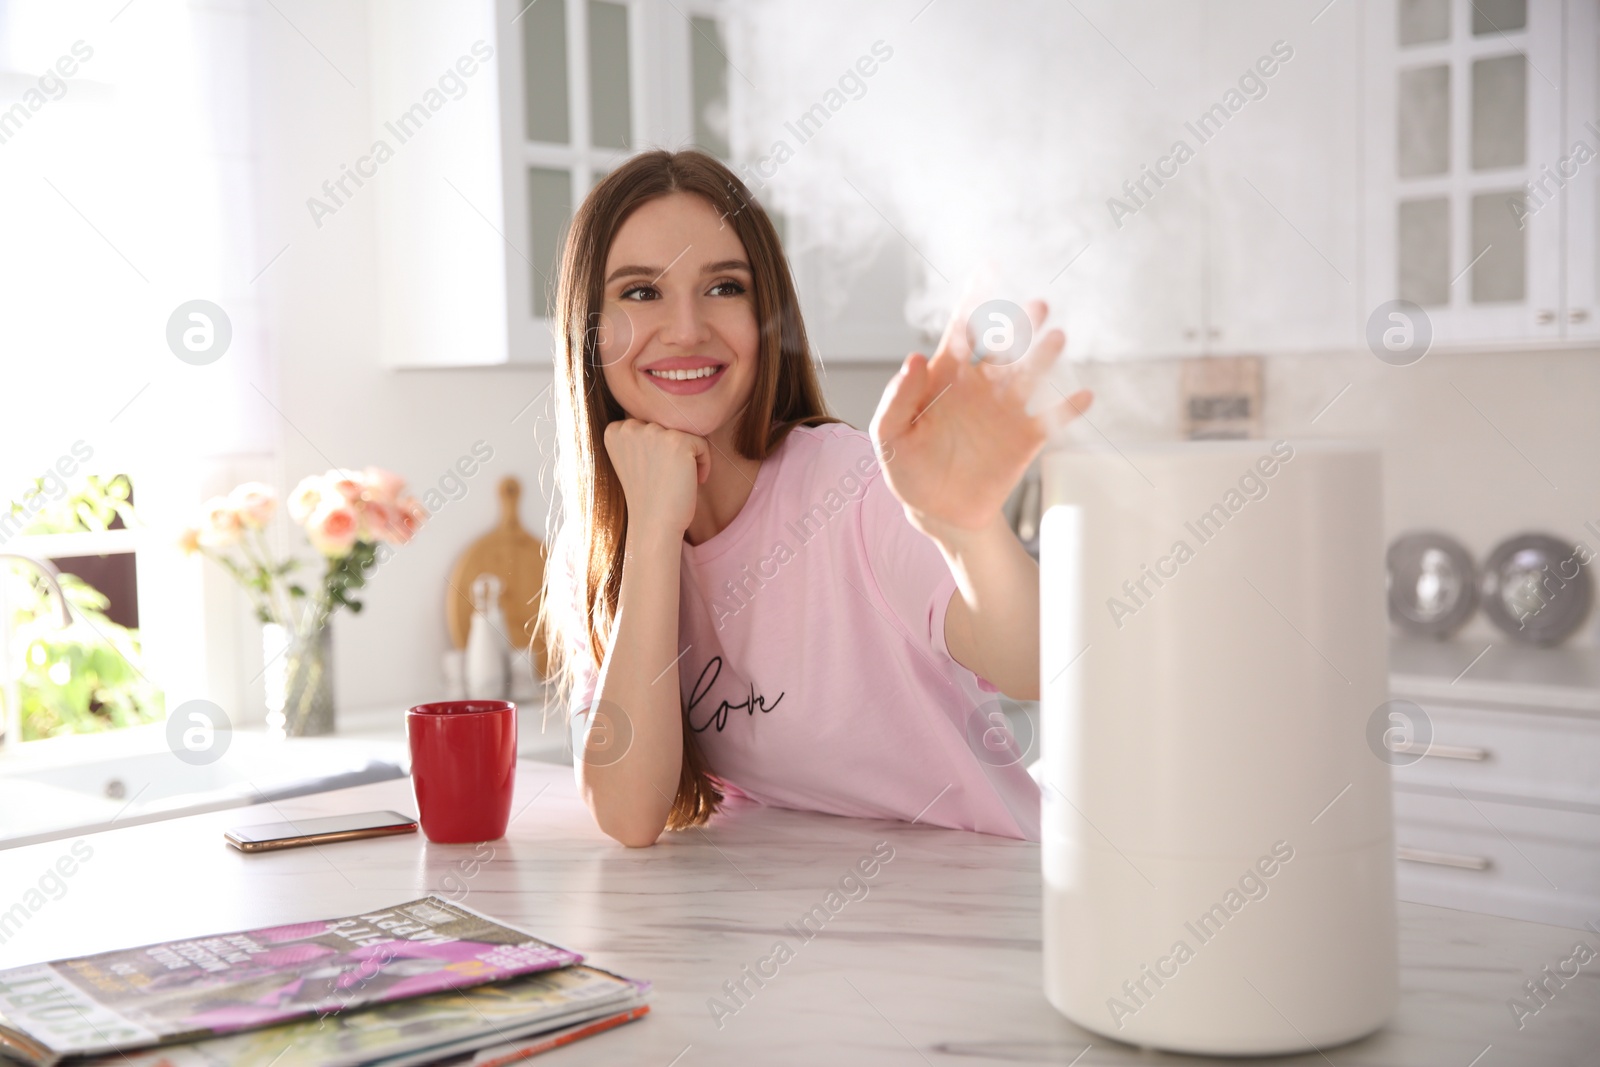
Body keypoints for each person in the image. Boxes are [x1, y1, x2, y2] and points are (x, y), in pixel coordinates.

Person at [537, 149, 1092, 848]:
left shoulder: (853, 489)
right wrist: (653, 530)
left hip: (984, 908)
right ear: (589, 329)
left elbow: (1040, 666)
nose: (685, 328)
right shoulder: (609, 539)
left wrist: (969, 527)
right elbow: (629, 812)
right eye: (641, 292)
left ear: (766, 314)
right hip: (799, 927)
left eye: (724, 287)